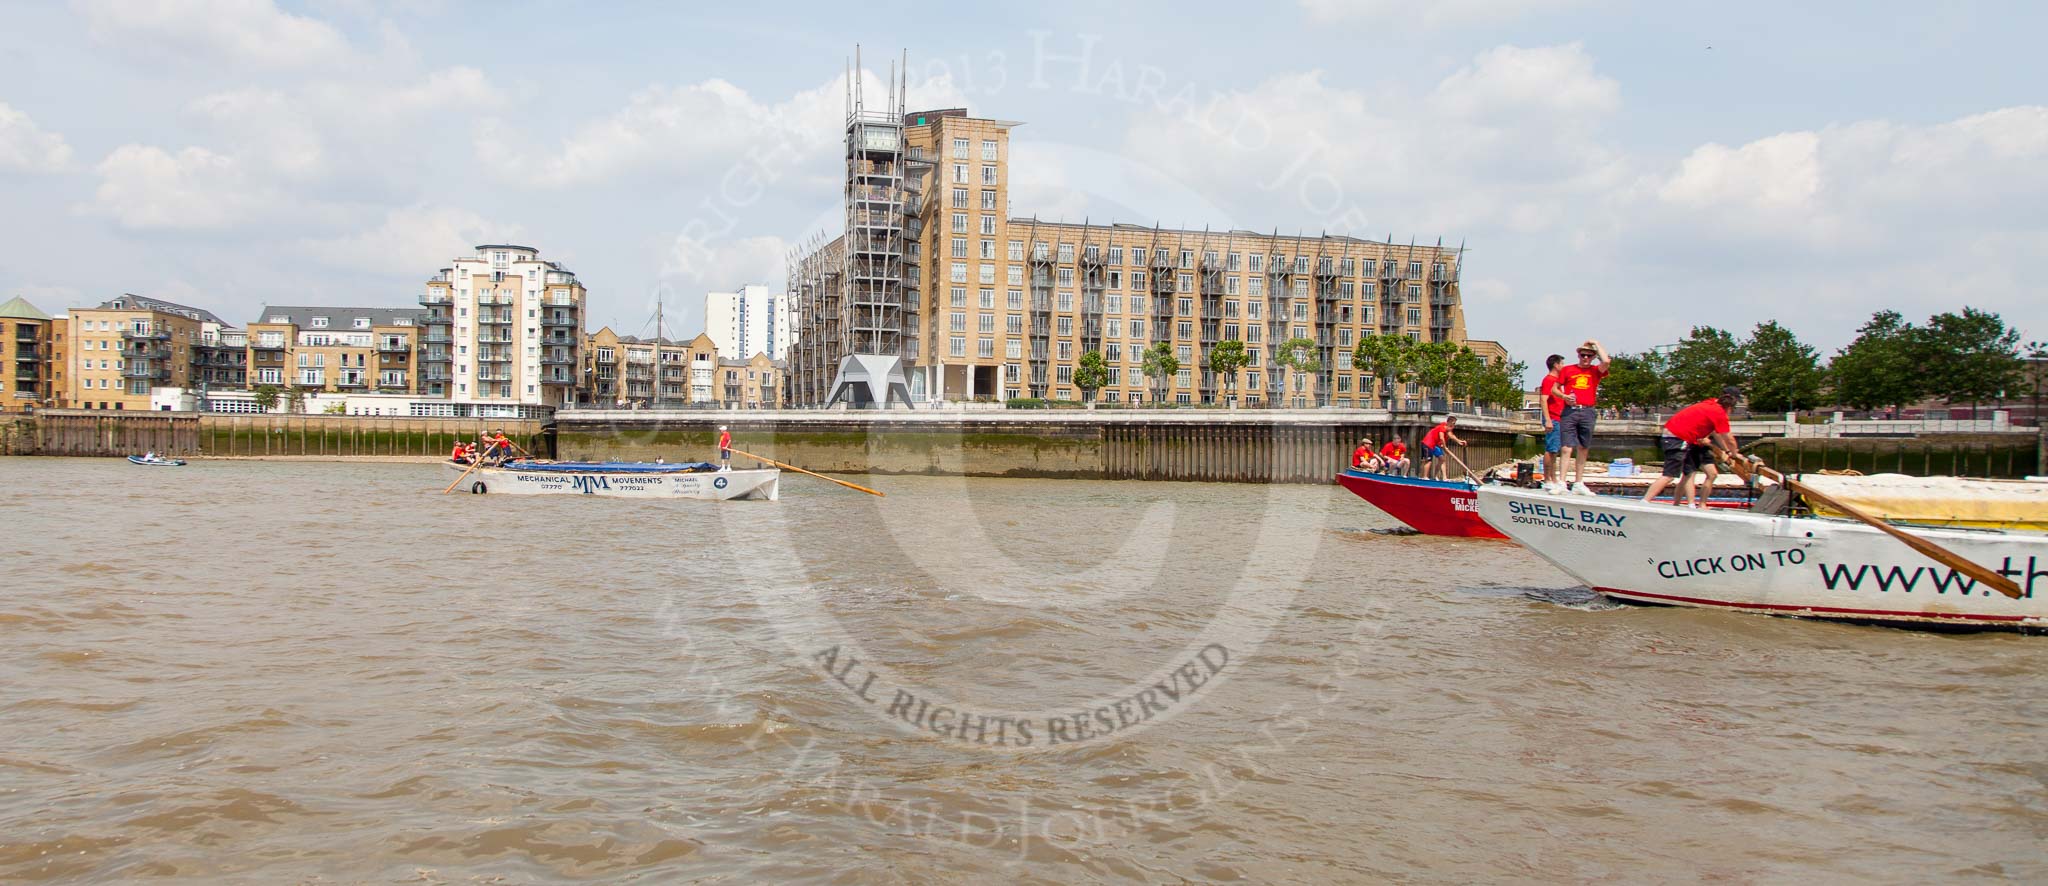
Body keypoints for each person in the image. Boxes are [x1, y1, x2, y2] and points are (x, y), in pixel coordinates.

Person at [1643, 386, 1744, 507]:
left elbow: (1717, 433)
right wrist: (1734, 453)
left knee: (1688, 473)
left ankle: (1681, 505)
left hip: (1675, 435)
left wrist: (1727, 451)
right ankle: (1644, 503)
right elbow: (1730, 438)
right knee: (1669, 475)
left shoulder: (1711, 403)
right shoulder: (1719, 413)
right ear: (1730, 406)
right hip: (1678, 438)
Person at [1550, 339, 1610, 496]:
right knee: (1566, 447)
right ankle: (1562, 482)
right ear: (1578, 355)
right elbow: (1554, 389)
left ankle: (1578, 482)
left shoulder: (1595, 371)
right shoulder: (1568, 370)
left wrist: (1596, 343)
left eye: (1589, 356)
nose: (1585, 358)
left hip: (1588, 411)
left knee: (1583, 447)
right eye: (1583, 355)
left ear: (1593, 357)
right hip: (1570, 410)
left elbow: (1606, 361)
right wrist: (1564, 396)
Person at [1537, 354, 1566, 491]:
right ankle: (1548, 479)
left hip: (1558, 418)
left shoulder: (1557, 382)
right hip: (1553, 418)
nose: (1563, 366)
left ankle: (1553, 479)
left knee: (1554, 450)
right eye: (1562, 364)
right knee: (1551, 449)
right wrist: (1548, 419)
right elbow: (1543, 399)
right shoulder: (1549, 380)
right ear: (1556, 365)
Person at [1421, 415, 1467, 481]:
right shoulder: (1442, 428)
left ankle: (1441, 477)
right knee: (1428, 461)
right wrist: (1445, 447)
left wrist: (1459, 441)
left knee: (1442, 459)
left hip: (1434, 445)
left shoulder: (1446, 426)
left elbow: (1451, 435)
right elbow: (1441, 438)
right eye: (1453, 423)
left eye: (1454, 424)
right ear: (1449, 422)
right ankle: (1424, 477)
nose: (1453, 425)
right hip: (1427, 444)